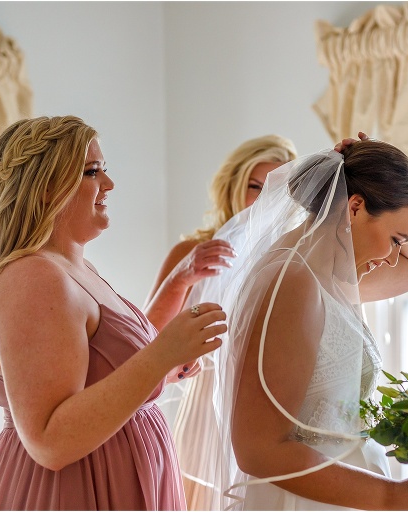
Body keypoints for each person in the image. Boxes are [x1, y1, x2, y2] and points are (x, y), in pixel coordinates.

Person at [187, 135, 408, 510]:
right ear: (355, 207)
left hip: (344, 492)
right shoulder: (293, 283)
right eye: (395, 239)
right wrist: (393, 497)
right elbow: (257, 450)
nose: (394, 258)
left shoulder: (333, 277)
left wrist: (389, 179)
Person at [0, 115, 225, 510]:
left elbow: (107, 368)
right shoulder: (34, 279)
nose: (109, 184)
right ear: (48, 188)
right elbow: (49, 440)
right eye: (92, 171)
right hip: (71, 491)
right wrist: (161, 356)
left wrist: (166, 361)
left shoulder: (76, 267)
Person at [143, 135, 298, 510]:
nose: (263, 201)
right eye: (254, 186)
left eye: (274, 190)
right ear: (233, 186)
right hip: (203, 415)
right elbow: (147, 337)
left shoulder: (294, 255)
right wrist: (182, 277)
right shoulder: (190, 252)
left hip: (268, 406)